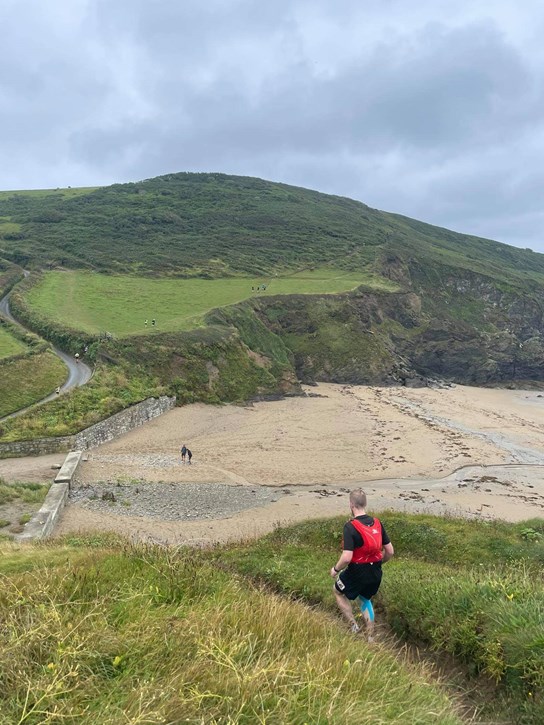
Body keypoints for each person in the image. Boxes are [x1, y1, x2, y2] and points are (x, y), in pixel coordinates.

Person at [330, 489, 394, 640]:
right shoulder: (378, 523)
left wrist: (335, 569)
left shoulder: (350, 526)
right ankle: (370, 637)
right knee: (365, 598)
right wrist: (379, 563)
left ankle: (353, 626)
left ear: (351, 505)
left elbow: (347, 557)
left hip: (357, 570)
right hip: (376, 570)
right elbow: (390, 551)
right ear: (365, 503)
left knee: (337, 591)